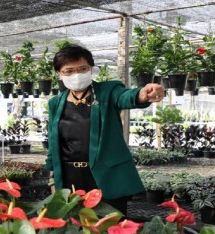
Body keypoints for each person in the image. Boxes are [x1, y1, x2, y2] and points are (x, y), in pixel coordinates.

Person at [45, 45, 164, 215]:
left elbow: (126, 97)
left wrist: (142, 94)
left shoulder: (108, 91)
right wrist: (52, 180)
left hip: (105, 176)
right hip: (69, 178)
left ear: (91, 69)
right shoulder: (55, 103)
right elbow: (54, 144)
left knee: (109, 228)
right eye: (69, 71)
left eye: (82, 69)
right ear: (59, 74)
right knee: (74, 230)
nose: (76, 75)